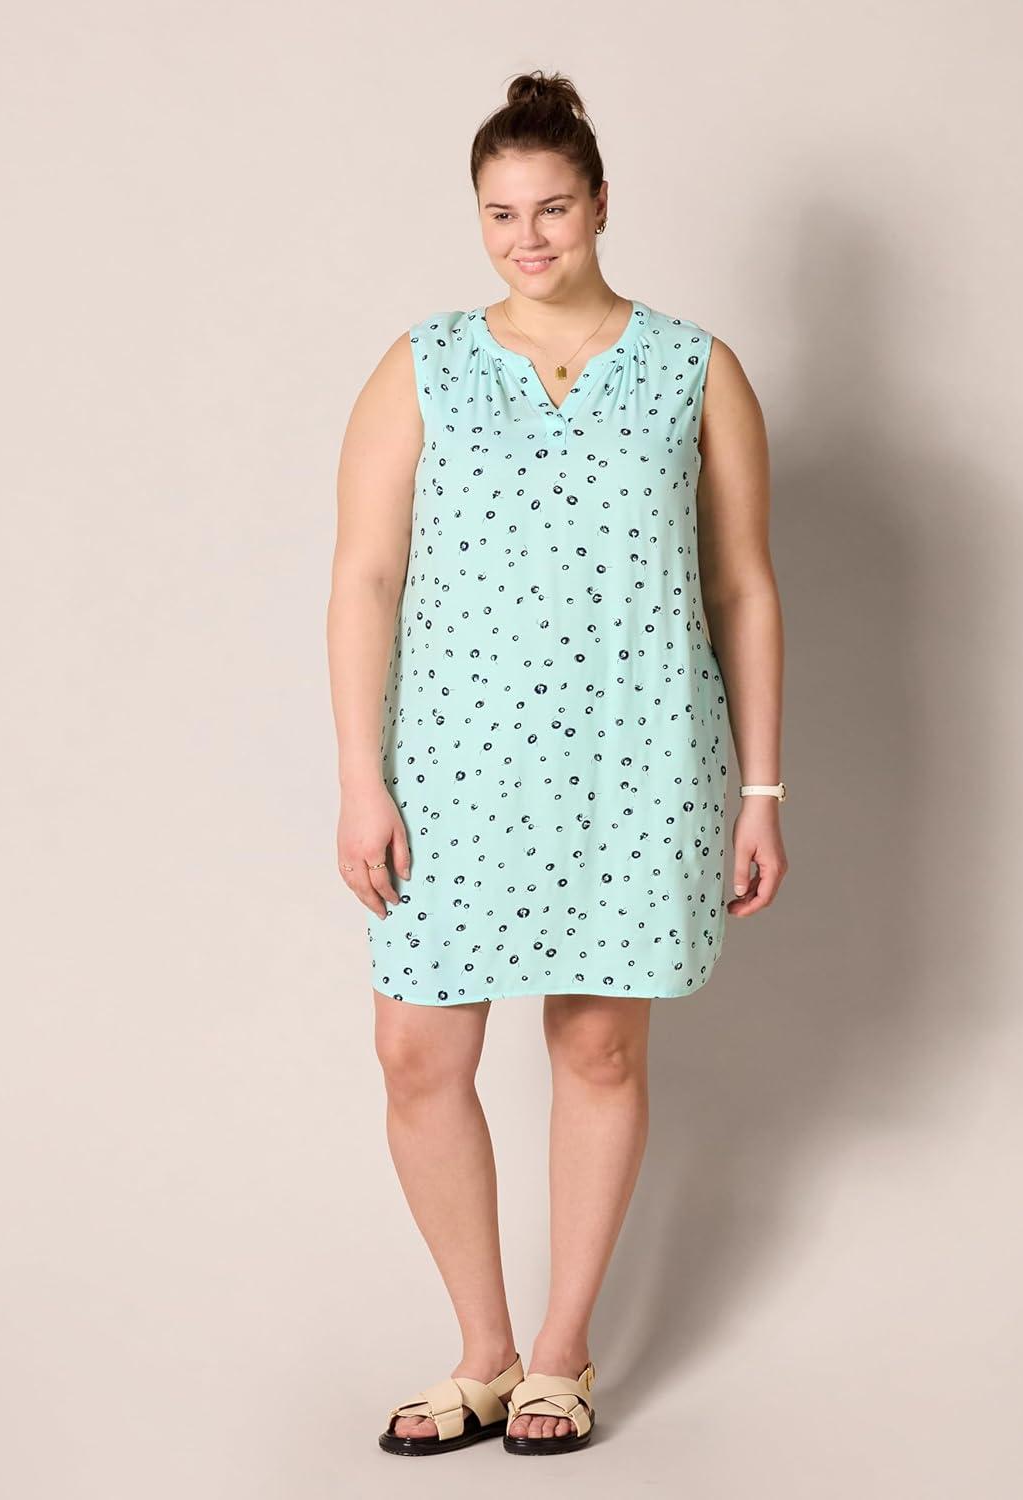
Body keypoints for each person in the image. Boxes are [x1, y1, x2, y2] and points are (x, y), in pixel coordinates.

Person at [326, 68, 787, 1457]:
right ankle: (481, 1354)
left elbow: (744, 588)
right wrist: (361, 777)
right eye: (500, 213)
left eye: (551, 208)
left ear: (599, 204)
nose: (526, 237)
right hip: (453, 765)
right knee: (417, 1051)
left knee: (596, 1044)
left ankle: (560, 1356)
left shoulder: (696, 369)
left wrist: (762, 790)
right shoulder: (420, 365)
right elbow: (364, 578)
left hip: (639, 757)